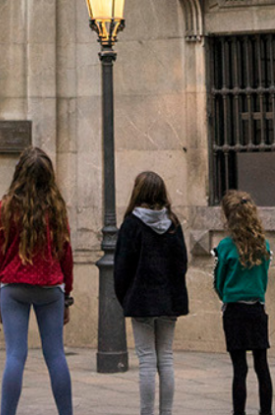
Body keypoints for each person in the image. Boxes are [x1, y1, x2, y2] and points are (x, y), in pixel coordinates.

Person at [0, 147, 74, 415]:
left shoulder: (6, 207)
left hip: (13, 286)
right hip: (50, 287)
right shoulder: (57, 208)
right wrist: (67, 294)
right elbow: (66, 253)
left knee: (15, 356)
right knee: (56, 355)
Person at [114, 171, 189, 415]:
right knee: (165, 358)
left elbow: (122, 266)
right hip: (169, 299)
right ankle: (166, 412)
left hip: (141, 300)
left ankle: (146, 412)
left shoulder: (131, 224)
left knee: (146, 359)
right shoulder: (173, 223)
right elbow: (181, 263)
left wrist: (125, 296)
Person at [214, 190, 272, 415]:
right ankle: (266, 412)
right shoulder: (263, 245)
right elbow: (264, 278)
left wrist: (227, 293)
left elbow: (219, 281)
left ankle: (239, 412)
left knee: (239, 369)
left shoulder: (225, 247)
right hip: (256, 307)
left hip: (234, 310)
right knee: (262, 366)